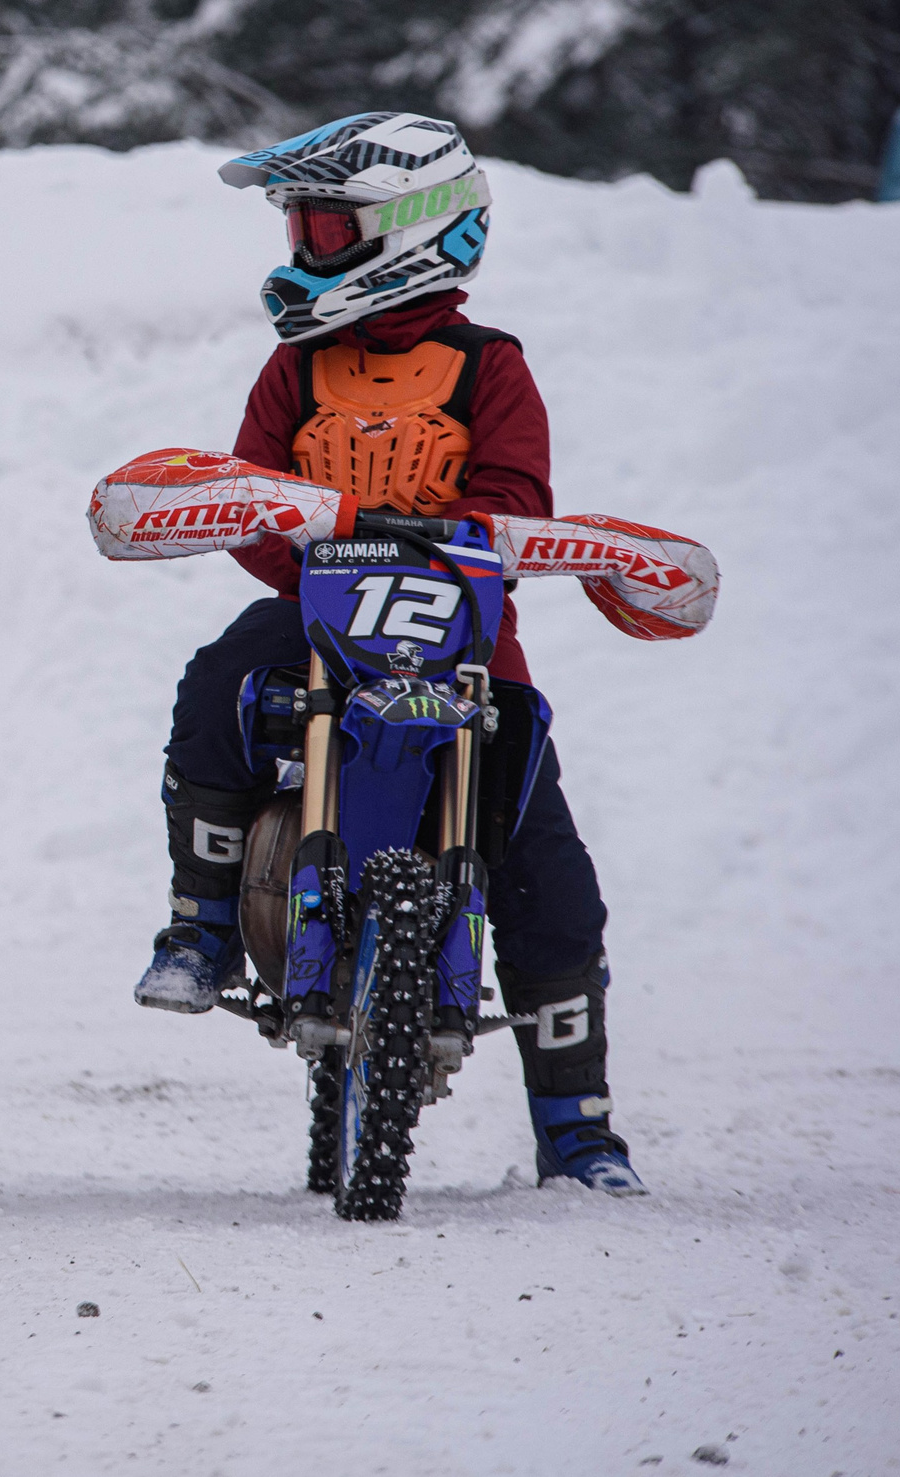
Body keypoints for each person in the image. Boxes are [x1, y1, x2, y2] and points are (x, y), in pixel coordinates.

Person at [130, 113, 645, 1195]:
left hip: (463, 638)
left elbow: (519, 499)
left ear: (413, 230)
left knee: (546, 865)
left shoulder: (488, 368)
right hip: (322, 620)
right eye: (300, 228)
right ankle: (203, 924)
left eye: (324, 226)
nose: (303, 248)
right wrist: (307, 535)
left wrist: (446, 530)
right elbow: (253, 496)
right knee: (215, 682)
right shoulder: (295, 368)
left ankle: (579, 1126)